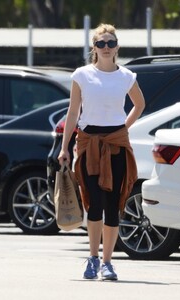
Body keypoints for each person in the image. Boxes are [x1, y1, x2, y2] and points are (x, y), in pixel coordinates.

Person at [58, 23, 145, 281]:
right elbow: (73, 112)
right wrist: (64, 147)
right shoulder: (82, 75)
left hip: (116, 145)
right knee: (92, 203)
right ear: (94, 48)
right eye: (101, 43)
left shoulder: (126, 76)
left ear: (117, 47)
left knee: (112, 205)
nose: (106, 48)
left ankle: (108, 262)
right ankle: (93, 258)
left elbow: (139, 104)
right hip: (88, 143)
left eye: (110, 43)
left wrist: (123, 128)